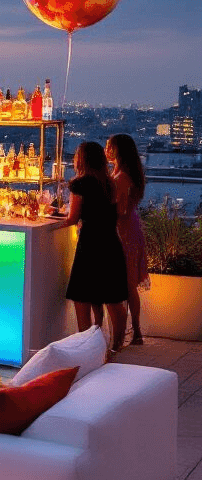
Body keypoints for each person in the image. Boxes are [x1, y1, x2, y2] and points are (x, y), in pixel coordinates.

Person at [58, 140, 128, 352]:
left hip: (90, 244)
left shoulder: (80, 184)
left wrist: (55, 217)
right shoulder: (112, 183)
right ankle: (116, 345)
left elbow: (72, 218)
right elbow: (119, 213)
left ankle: (86, 347)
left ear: (82, 159)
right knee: (113, 297)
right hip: (110, 242)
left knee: (82, 296)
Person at [107, 133, 149, 345]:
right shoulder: (126, 173)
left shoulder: (121, 177)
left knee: (126, 282)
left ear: (118, 151)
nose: (106, 150)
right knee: (129, 282)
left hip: (124, 231)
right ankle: (136, 331)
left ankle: (130, 332)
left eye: (109, 146)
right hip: (131, 228)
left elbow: (121, 210)